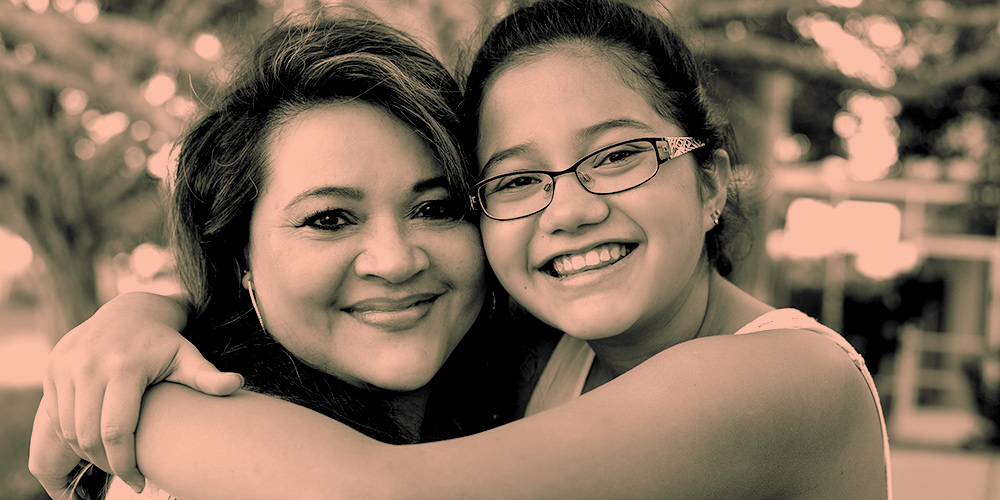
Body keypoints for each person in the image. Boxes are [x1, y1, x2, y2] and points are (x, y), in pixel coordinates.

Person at [31, 1, 892, 498]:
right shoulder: (527, 366)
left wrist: (130, 408)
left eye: (618, 155)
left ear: (710, 184)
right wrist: (148, 312)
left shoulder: (790, 380)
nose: (572, 210)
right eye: (517, 181)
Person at [29, 10, 532, 499]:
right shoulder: (185, 466)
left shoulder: (532, 386)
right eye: (329, 219)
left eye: (434, 208)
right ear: (239, 259)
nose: (396, 261)